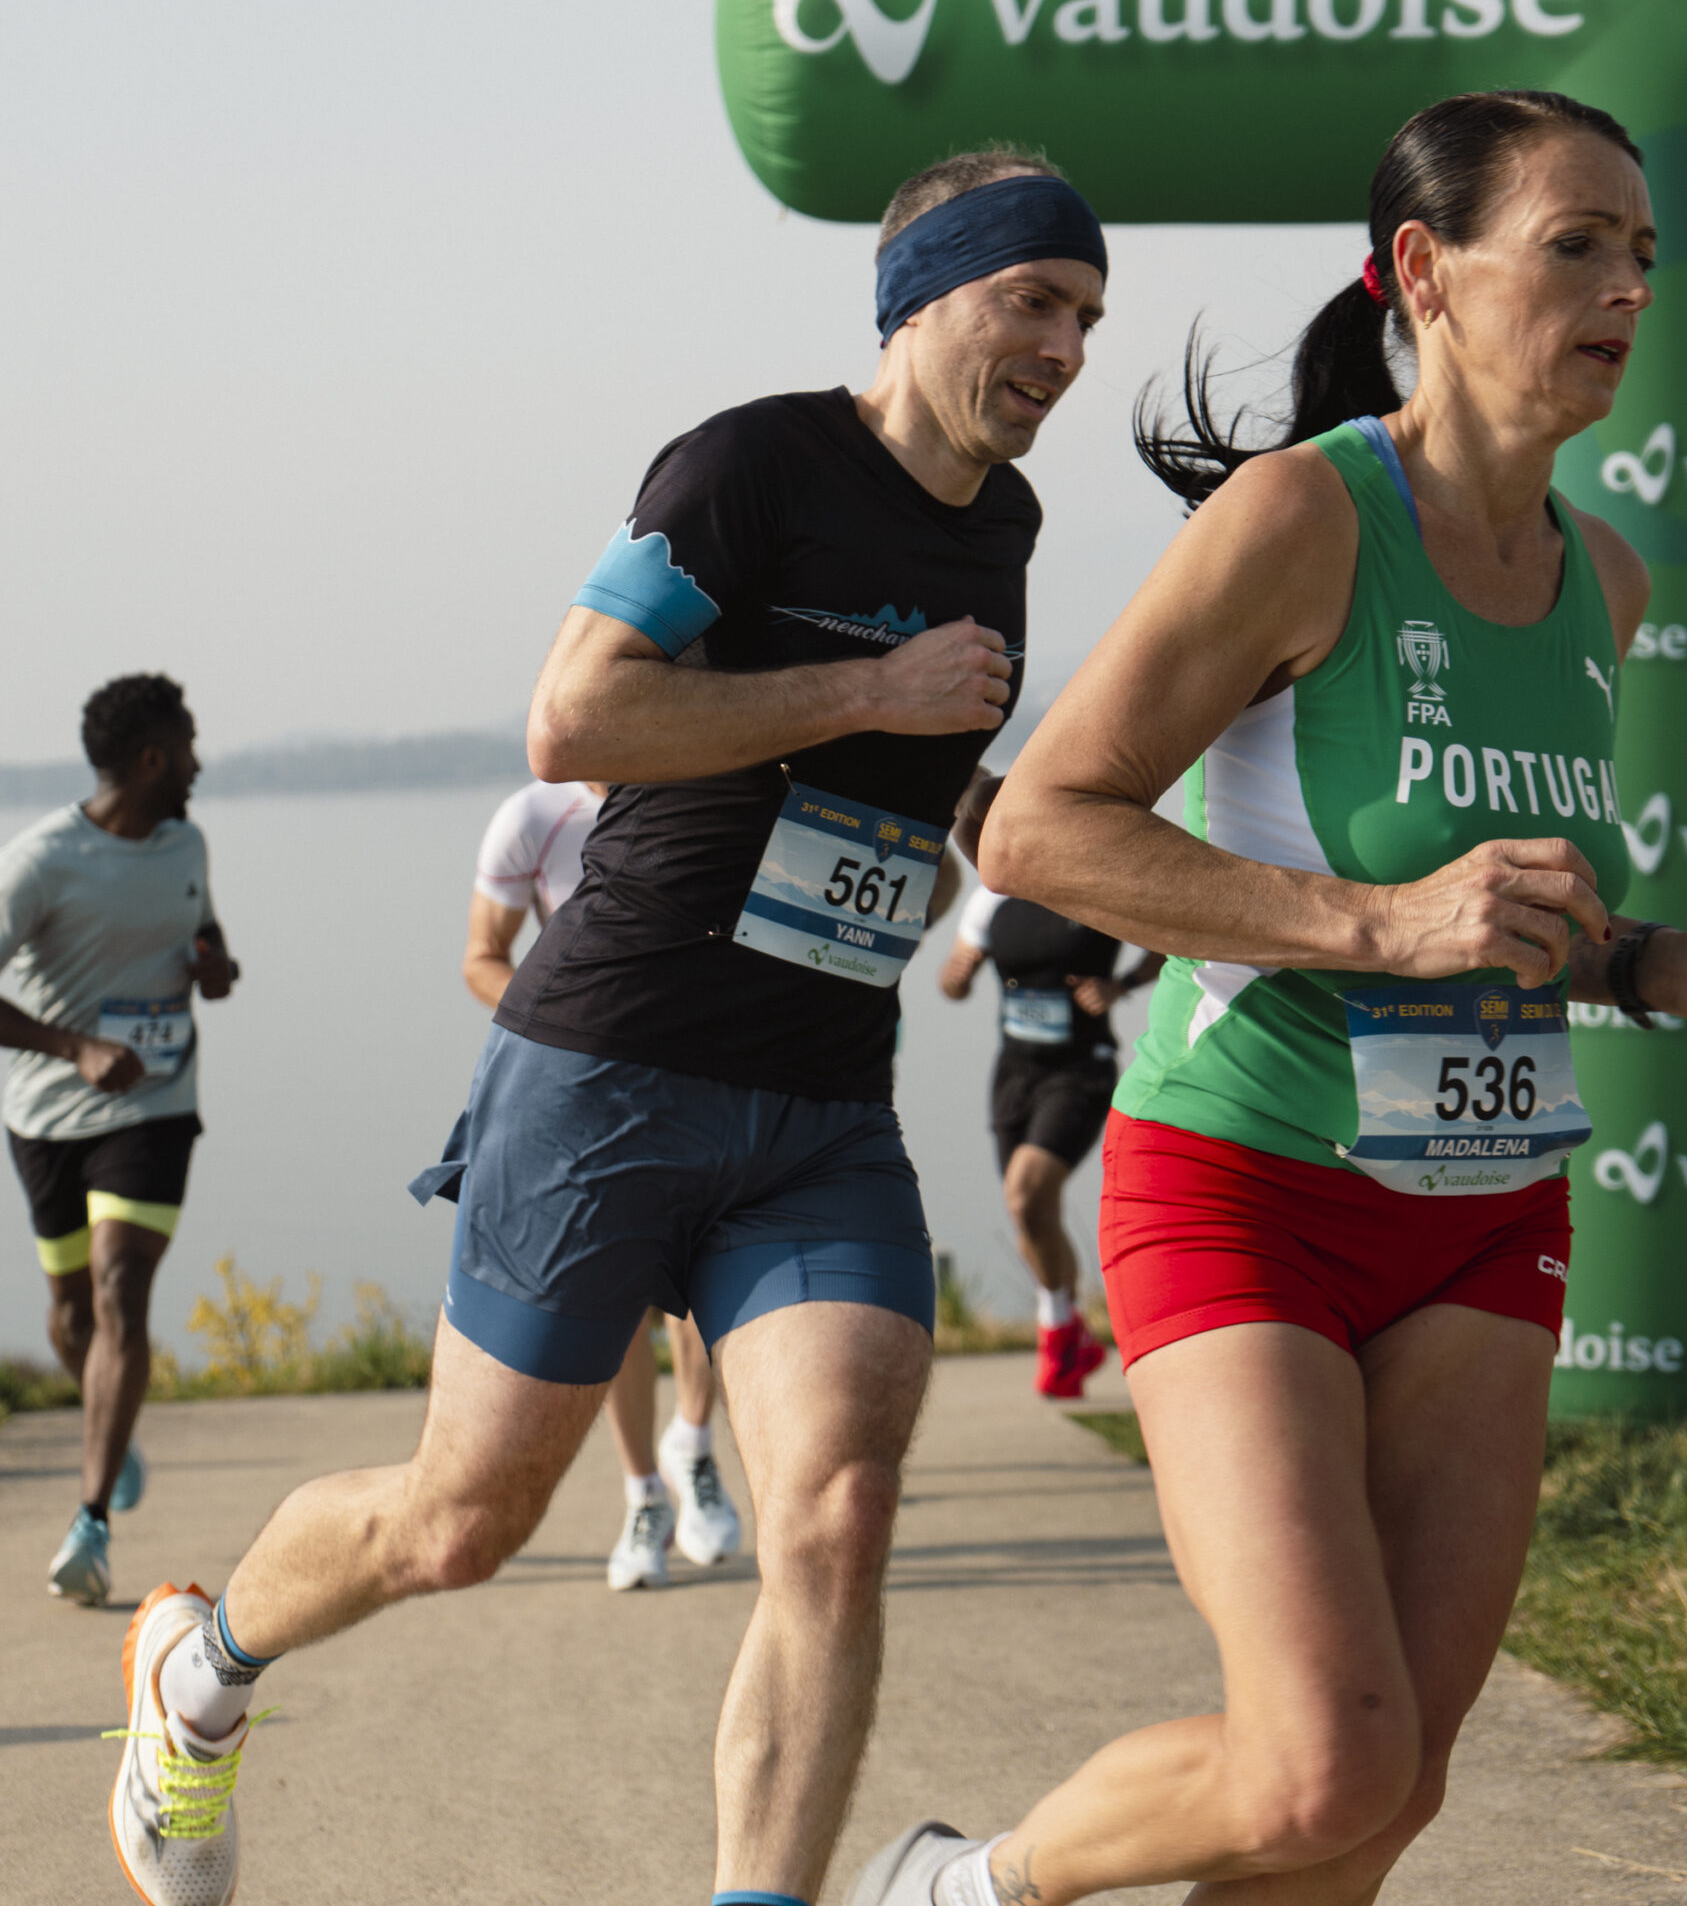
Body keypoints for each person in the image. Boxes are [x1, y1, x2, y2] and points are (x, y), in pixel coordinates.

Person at [108, 150, 1108, 1906]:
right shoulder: (748, 465)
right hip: (615, 1065)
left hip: (822, 1103)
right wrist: (873, 685)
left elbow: (905, 786)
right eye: (1031, 301)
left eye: (1087, 318)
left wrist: (1013, 835)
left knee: (835, 1518)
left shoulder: (1003, 528)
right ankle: (199, 1672)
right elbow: (572, 718)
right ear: (916, 297)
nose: (1064, 349)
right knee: (458, 1524)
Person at [853, 87, 1687, 1906]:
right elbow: (1042, 829)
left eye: (1639, 251)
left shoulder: (1605, 580)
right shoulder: (1304, 515)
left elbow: (1509, 917)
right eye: (1572, 245)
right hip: (1246, 1180)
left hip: (1489, 1211)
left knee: (1385, 1793)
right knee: (1319, 1756)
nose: (1627, 286)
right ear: (1423, 271)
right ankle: (954, 1888)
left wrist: (1643, 962)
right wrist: (1382, 925)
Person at [463, 771, 741, 1586]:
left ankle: (693, 1443)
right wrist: (571, 1022)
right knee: (618, 1302)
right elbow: (482, 957)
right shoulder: (532, 816)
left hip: (708, 1070)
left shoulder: (712, 781)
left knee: (701, 1280)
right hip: (591, 1086)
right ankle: (643, 1495)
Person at [0, 674, 239, 1608]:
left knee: (119, 1288)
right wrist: (75, 1047)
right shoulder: (40, 861)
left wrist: (214, 966)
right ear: (149, 759)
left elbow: (204, 931)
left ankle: (90, 1522)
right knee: (73, 1317)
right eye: (186, 748)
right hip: (48, 1114)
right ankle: (114, 1422)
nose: (197, 765)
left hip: (156, 1105)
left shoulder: (187, 844)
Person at [938, 867, 1159, 1398]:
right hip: (1015, 1074)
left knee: (1027, 1193)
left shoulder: (1099, 883)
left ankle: (1056, 1329)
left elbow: (1170, 940)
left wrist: (1121, 985)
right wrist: (959, 976)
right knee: (1031, 1215)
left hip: (1081, 1069)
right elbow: (950, 983)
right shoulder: (991, 897)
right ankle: (1069, 1326)